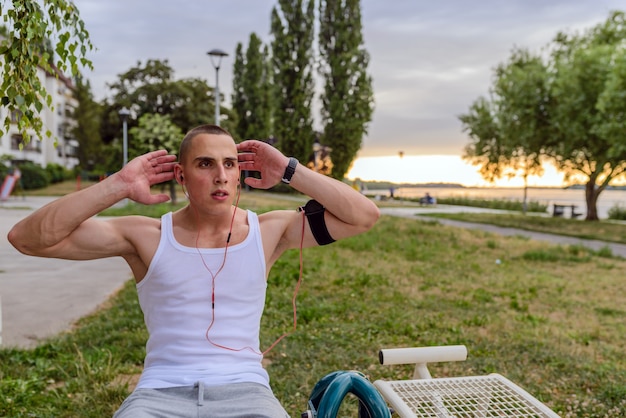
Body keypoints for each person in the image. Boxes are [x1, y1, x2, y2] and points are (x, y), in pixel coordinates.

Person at [7, 124, 380, 418]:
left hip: (247, 392)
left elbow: (363, 216)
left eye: (229, 164)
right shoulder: (148, 236)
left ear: (238, 175)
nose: (220, 175)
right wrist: (117, 186)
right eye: (205, 164)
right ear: (181, 176)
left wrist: (288, 169)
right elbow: (28, 238)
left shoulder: (270, 231)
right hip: (158, 394)